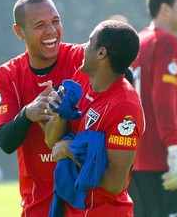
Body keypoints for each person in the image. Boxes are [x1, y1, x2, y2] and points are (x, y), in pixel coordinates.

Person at [0, 0, 85, 216]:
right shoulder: (6, 76)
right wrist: (27, 113)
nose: (51, 31)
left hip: (86, 201)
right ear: (19, 32)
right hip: (37, 204)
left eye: (55, 21)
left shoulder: (82, 58)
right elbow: (5, 141)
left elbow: (122, 72)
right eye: (40, 25)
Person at [45, 20, 145, 216]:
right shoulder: (81, 79)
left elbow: (115, 183)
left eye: (90, 42)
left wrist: (72, 150)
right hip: (70, 209)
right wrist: (59, 115)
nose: (84, 47)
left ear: (101, 53)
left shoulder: (126, 108)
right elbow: (51, 142)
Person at [128, 0, 177, 216]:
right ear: (165, 9)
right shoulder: (166, 42)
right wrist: (175, 148)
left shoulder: (136, 41)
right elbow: (163, 100)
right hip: (162, 159)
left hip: (134, 162)